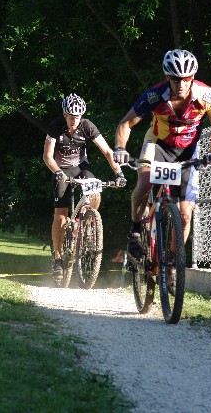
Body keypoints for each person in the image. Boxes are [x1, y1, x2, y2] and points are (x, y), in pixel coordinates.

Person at [113, 49, 211, 260]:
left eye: (186, 79)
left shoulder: (207, 95)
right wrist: (120, 149)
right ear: (167, 77)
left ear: (193, 77)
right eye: (175, 79)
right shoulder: (155, 95)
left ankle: (174, 263)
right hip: (158, 144)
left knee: (184, 215)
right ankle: (135, 232)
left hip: (188, 151)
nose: (181, 84)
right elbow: (126, 123)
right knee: (144, 182)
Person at [43, 93, 126, 280]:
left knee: (95, 189)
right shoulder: (56, 126)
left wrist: (118, 173)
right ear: (65, 114)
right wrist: (58, 173)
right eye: (72, 117)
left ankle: (87, 221)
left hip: (81, 168)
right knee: (61, 215)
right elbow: (47, 156)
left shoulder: (87, 126)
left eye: (78, 117)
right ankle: (57, 258)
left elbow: (106, 151)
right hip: (61, 169)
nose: (75, 121)